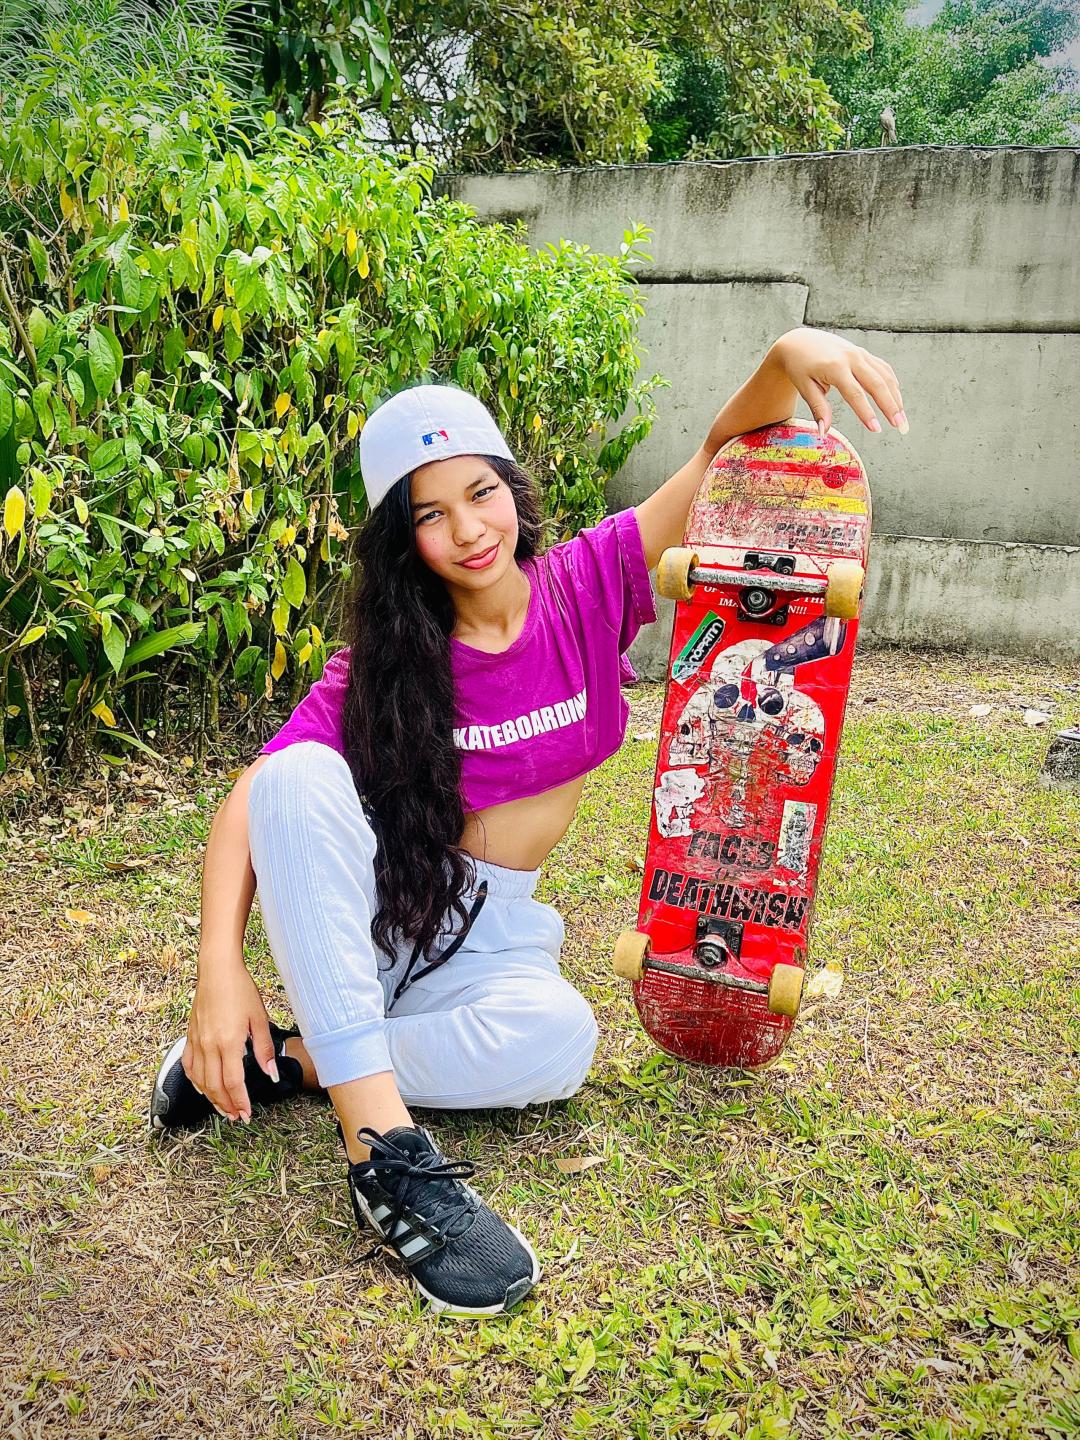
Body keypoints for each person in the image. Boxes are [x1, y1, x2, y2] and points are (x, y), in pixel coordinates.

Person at [148, 330, 906, 1317]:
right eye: (431, 514)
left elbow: (719, 460)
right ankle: (385, 1155)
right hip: (377, 914)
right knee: (291, 774)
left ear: (512, 488)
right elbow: (253, 799)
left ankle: (292, 1063)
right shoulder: (386, 664)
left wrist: (782, 356)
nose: (468, 529)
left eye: (481, 492)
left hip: (494, 928)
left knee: (560, 1042)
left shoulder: (587, 585)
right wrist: (219, 967)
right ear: (404, 539)